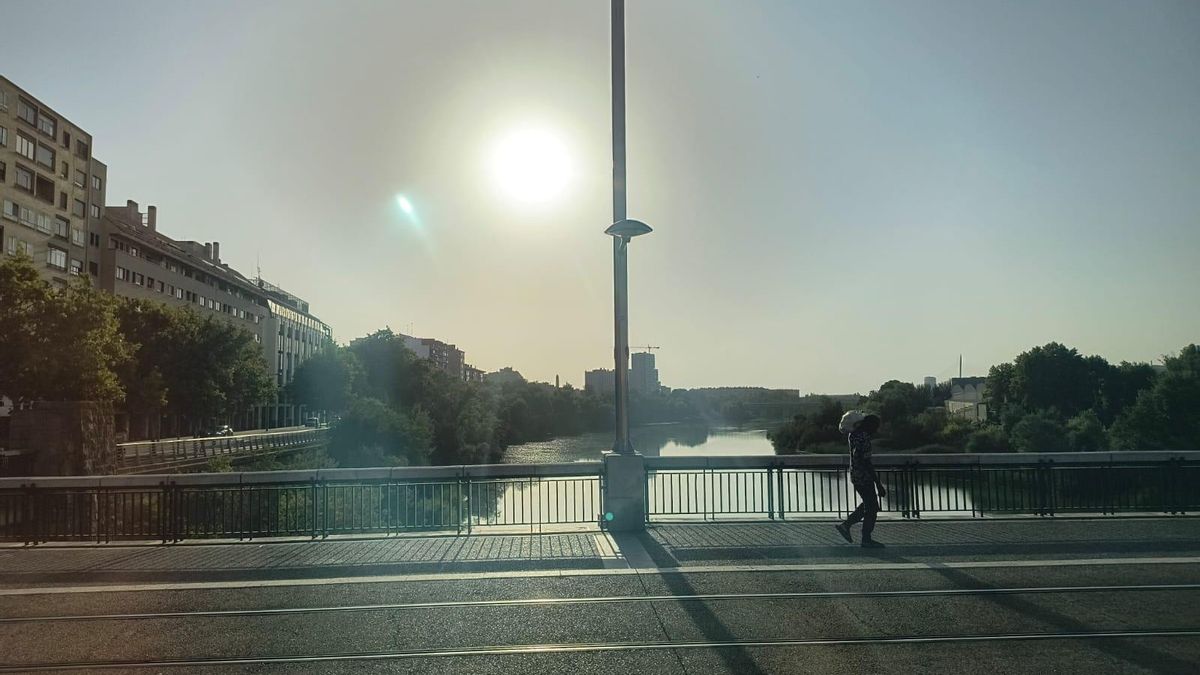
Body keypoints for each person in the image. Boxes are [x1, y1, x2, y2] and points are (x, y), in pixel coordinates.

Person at [835, 411, 886, 548]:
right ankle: (866, 539)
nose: (876, 429)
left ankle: (846, 526)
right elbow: (866, 461)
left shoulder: (853, 435)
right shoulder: (863, 437)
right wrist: (878, 483)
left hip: (855, 475)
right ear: (870, 425)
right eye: (876, 426)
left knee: (868, 504)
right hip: (864, 477)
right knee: (872, 507)